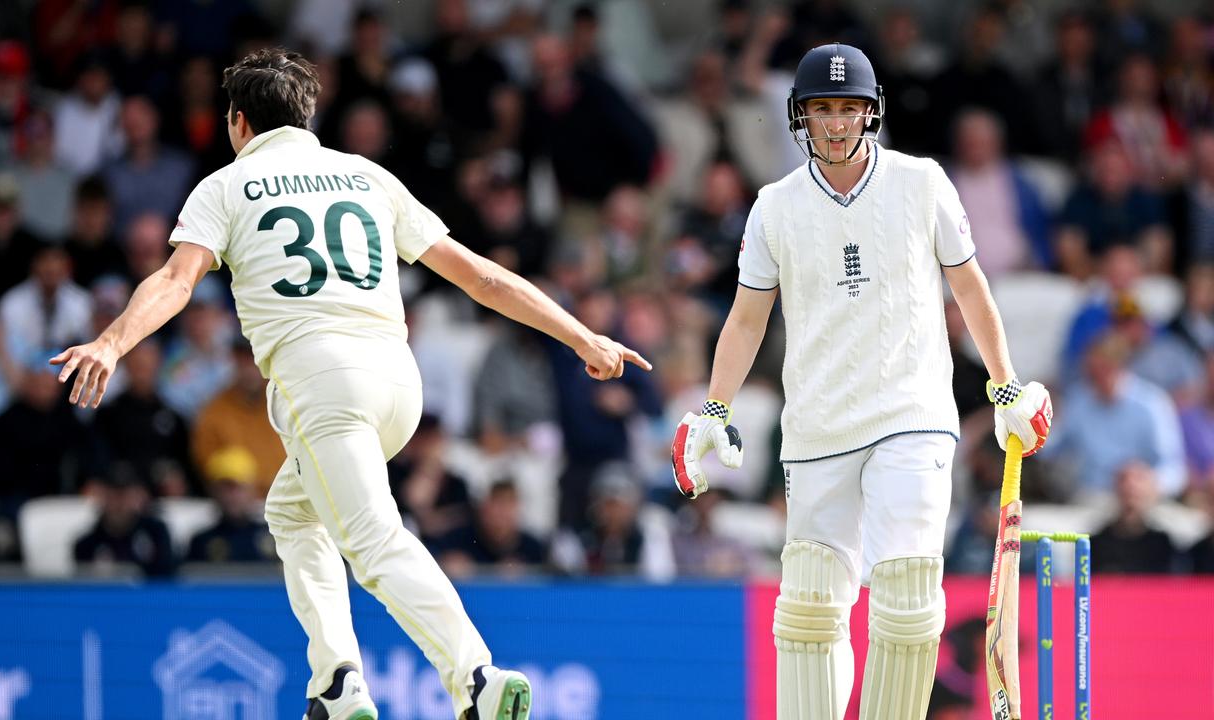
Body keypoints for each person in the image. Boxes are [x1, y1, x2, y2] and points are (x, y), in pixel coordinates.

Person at [51, 47, 649, 720]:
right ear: (307, 115)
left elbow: (174, 282)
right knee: (291, 510)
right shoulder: (365, 176)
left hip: (322, 383)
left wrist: (111, 341)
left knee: (373, 543)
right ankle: (337, 681)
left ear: (240, 122)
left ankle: (475, 676)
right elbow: (480, 277)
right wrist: (581, 336)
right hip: (397, 382)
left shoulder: (224, 186)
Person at [669, 44, 1053, 720]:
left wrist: (1006, 386)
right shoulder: (773, 207)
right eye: (823, 109)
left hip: (913, 416)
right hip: (817, 429)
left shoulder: (922, 182)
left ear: (871, 113)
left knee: (906, 601)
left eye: (850, 109)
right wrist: (714, 409)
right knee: (810, 612)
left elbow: (969, 286)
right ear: (801, 118)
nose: (837, 123)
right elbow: (747, 316)